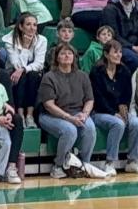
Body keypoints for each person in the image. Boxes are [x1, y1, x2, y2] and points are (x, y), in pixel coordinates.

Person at [86, 40, 138, 175]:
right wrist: (113, 113)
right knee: (118, 124)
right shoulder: (97, 71)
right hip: (100, 111)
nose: (119, 55)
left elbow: (127, 93)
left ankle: (132, 161)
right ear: (106, 54)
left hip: (119, 111)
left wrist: (123, 109)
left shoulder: (124, 70)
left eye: (120, 52)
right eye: (115, 52)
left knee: (137, 123)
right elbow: (97, 97)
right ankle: (109, 162)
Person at [38, 42, 97, 178]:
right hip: (51, 115)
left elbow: (90, 100)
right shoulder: (49, 77)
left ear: (74, 57)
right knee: (69, 130)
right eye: (63, 53)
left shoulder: (82, 76)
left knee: (89, 128)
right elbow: (49, 105)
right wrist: (69, 118)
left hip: (77, 112)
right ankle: (58, 166)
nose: (67, 56)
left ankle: (84, 164)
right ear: (57, 58)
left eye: (70, 53)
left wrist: (85, 114)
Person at [2, 13, 47, 132]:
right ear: (21, 27)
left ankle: (30, 115)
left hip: (32, 74)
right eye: (28, 24)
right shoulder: (9, 40)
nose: (32, 28)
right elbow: (16, 64)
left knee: (31, 75)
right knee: (21, 77)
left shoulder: (42, 40)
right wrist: (26, 47)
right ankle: (20, 115)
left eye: (35, 25)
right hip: (13, 73)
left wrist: (24, 69)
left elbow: (39, 64)